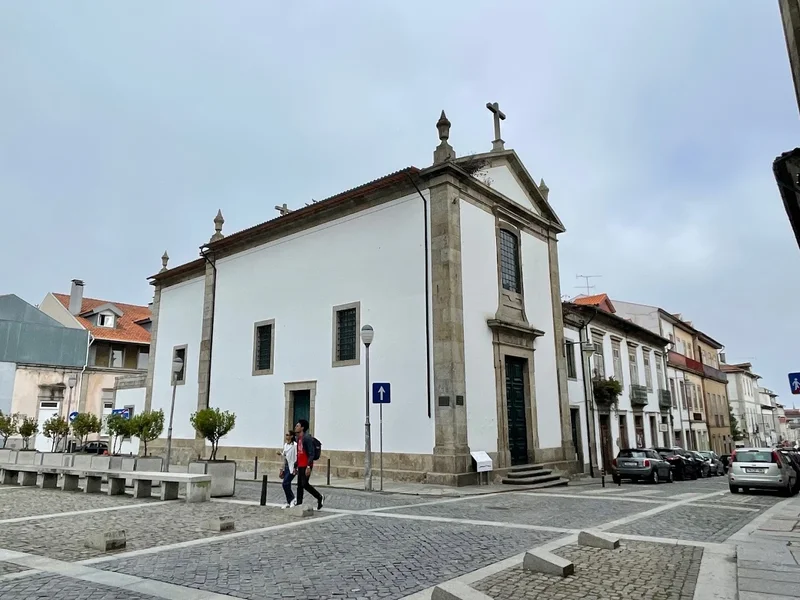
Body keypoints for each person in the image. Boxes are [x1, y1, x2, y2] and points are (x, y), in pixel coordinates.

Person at [294, 419, 324, 510]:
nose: (296, 427)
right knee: (300, 485)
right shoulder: (298, 438)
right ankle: (299, 503)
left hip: (306, 464)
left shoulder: (307, 438)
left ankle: (319, 497)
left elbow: (311, 453)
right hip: (300, 464)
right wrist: (296, 465)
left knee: (304, 484)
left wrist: (308, 466)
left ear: (302, 428)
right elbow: (299, 453)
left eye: (298, 426)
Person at [278, 431, 297, 508]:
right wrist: (281, 468)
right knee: (286, 484)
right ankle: (289, 501)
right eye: (286, 435)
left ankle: (292, 499)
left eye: (288, 435)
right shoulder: (285, 445)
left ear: (292, 436)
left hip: (292, 466)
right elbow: (285, 456)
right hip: (286, 466)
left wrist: (296, 467)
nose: (286, 437)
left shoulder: (295, 445)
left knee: (285, 483)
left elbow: (297, 456)